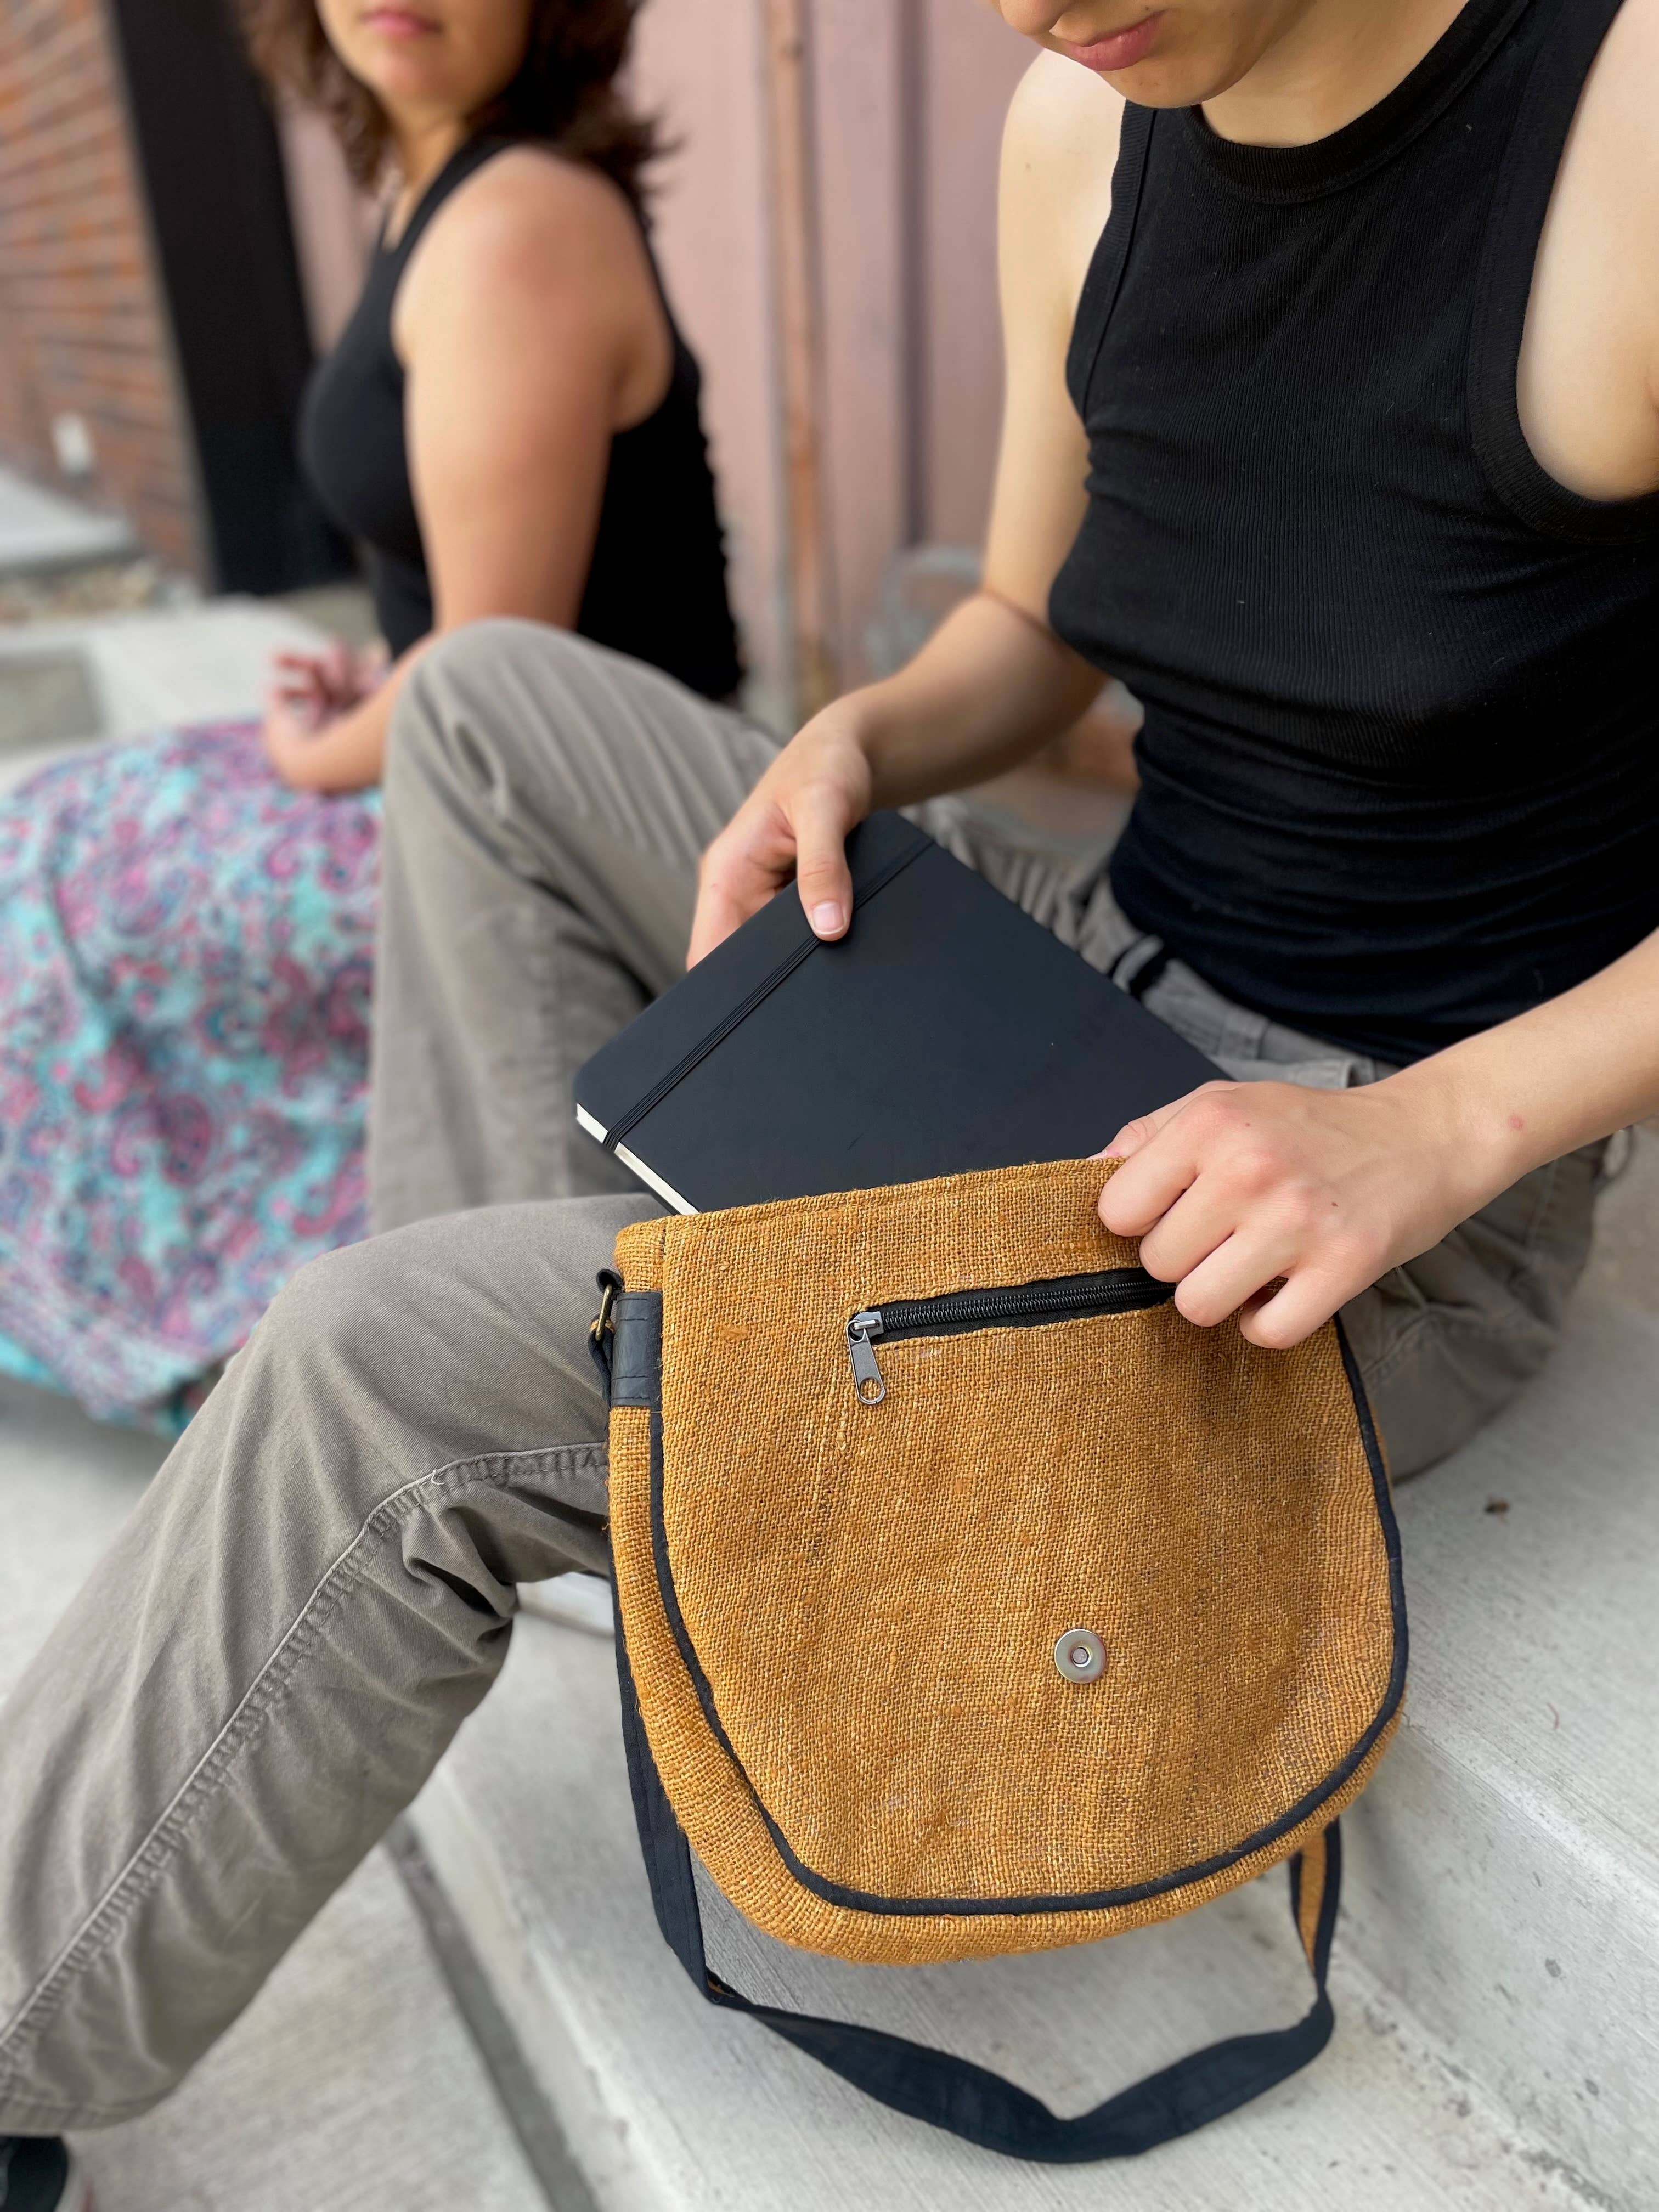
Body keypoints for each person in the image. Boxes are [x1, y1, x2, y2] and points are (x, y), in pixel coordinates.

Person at [3, 0, 1656, 2191]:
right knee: (485, 704)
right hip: (1081, 986)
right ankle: (643, 1445)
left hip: (1357, 1198)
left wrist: (1438, 1133)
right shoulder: (1084, 118)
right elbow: (1031, 621)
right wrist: (860, 744)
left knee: (370, 1368)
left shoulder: (1616, 119)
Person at [0, 0, 739, 1428]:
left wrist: (306, 747)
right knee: (49, 828)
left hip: (540, 820)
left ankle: (290, 1342)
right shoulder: (429, 183)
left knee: (48, 898)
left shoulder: (512, 217)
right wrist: (361, 681)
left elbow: (490, 656)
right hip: (446, 739)